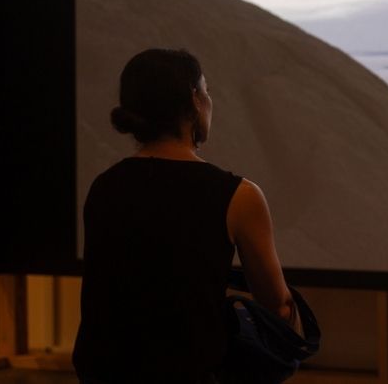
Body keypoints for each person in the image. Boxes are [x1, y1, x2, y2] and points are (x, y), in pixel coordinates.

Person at [74, 48, 297, 384]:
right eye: (207, 90)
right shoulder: (239, 195)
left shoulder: (104, 186)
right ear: (195, 100)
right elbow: (277, 305)